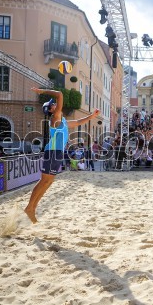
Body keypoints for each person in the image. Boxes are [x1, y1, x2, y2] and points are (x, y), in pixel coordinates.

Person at [24, 87, 99, 223]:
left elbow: (77, 122)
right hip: (52, 152)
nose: (55, 104)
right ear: (51, 110)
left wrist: (91, 117)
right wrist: (42, 91)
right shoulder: (55, 117)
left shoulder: (62, 122)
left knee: (48, 182)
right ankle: (30, 207)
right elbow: (59, 94)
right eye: (53, 104)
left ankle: (32, 208)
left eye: (54, 103)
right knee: (44, 181)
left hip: (57, 153)